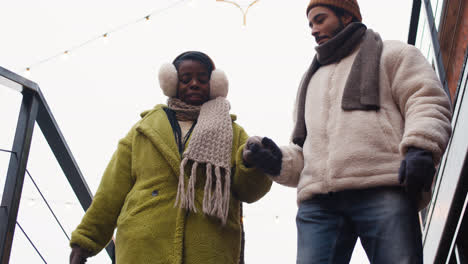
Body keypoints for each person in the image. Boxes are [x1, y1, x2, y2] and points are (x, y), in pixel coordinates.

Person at [245, 0, 453, 263]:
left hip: (382, 185)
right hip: (319, 203)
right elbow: (305, 151)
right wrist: (278, 161)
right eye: (310, 23)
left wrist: (421, 148)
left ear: (346, 16)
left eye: (320, 19)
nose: (313, 29)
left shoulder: (392, 53)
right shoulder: (310, 80)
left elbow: (425, 98)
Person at [69, 51, 272, 264]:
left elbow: (249, 192)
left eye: (202, 79)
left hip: (208, 251)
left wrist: (251, 164)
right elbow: (111, 191)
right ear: (172, 82)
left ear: (214, 84)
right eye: (186, 79)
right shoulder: (143, 130)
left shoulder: (234, 133)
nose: (194, 84)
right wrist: (84, 242)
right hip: (142, 247)